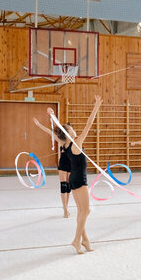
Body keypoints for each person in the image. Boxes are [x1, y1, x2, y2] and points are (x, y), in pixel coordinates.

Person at [49, 95, 102, 254]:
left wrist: (53, 117)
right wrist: (96, 106)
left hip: (73, 179)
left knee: (81, 211)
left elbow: (58, 131)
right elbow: (89, 124)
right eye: (71, 129)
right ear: (68, 133)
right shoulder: (76, 142)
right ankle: (76, 240)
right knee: (86, 211)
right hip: (79, 179)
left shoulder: (65, 144)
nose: (74, 129)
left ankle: (85, 240)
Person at [33, 117, 72, 218]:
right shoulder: (61, 141)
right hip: (63, 164)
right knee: (63, 186)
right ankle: (65, 209)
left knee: (68, 187)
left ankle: (66, 207)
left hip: (72, 164)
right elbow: (50, 131)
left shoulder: (75, 140)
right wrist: (39, 125)